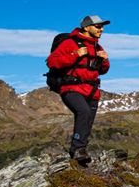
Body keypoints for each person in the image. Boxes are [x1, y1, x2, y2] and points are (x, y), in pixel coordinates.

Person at [46, 15, 110, 166]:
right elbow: (52, 62)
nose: (101, 29)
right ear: (87, 27)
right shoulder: (70, 43)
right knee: (84, 112)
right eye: (98, 26)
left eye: (102, 26)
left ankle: (80, 154)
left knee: (88, 121)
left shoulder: (97, 47)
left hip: (92, 91)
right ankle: (78, 149)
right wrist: (75, 54)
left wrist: (105, 60)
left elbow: (102, 70)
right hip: (71, 87)